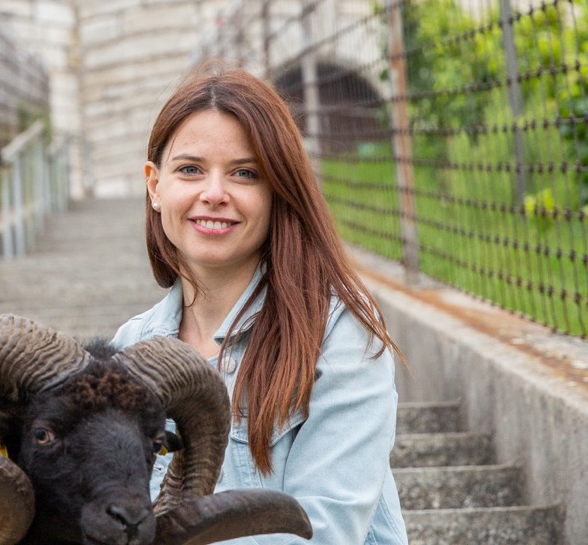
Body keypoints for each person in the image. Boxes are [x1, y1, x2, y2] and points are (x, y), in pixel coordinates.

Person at [112, 62, 408, 545]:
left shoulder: (338, 330)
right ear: (154, 186)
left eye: (245, 174)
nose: (214, 194)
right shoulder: (130, 348)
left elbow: (326, 533)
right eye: (190, 169)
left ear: (277, 192)